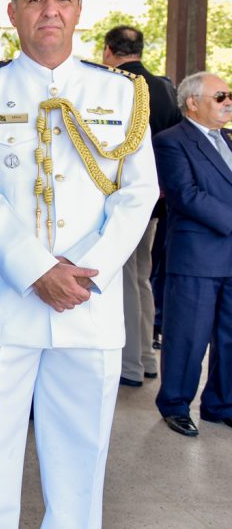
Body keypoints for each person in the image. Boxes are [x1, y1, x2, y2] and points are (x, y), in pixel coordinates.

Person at [0, 0, 158, 528]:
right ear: (12, 11)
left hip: (88, 302)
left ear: (79, 10)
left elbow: (138, 192)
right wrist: (38, 269)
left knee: (80, 464)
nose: (50, 10)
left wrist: (87, 272)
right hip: (1, 301)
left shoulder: (122, 93)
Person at [153, 72, 232, 436]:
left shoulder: (228, 139)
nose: (228, 102)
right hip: (196, 256)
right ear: (193, 102)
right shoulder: (171, 141)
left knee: (229, 336)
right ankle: (175, 404)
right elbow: (185, 194)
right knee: (188, 335)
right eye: (220, 96)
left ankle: (221, 404)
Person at [102, 25, 182, 387]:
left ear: (108, 50)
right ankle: (148, 358)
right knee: (141, 277)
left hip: (123, 198)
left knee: (124, 279)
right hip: (156, 202)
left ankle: (130, 364)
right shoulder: (164, 88)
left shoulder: (115, 86)